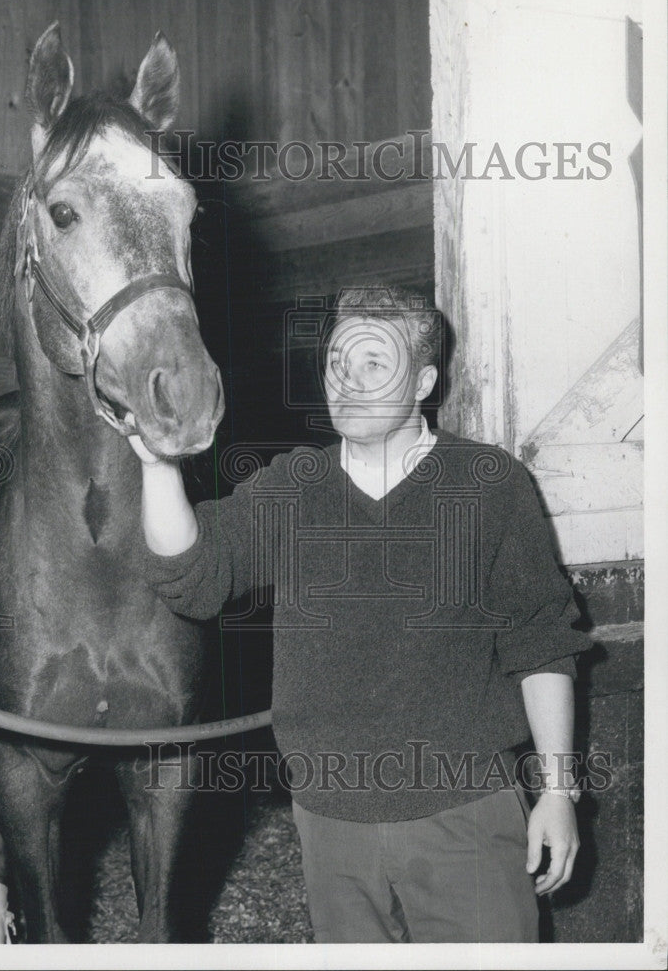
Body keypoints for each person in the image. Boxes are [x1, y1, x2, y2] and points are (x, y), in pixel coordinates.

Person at [128, 286, 593, 943]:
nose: (348, 381)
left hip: (465, 811)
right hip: (330, 822)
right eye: (337, 365)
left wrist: (557, 791)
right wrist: (158, 466)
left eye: (374, 365)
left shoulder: (491, 485)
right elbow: (193, 576)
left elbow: (540, 640)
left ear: (424, 381)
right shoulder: (294, 488)